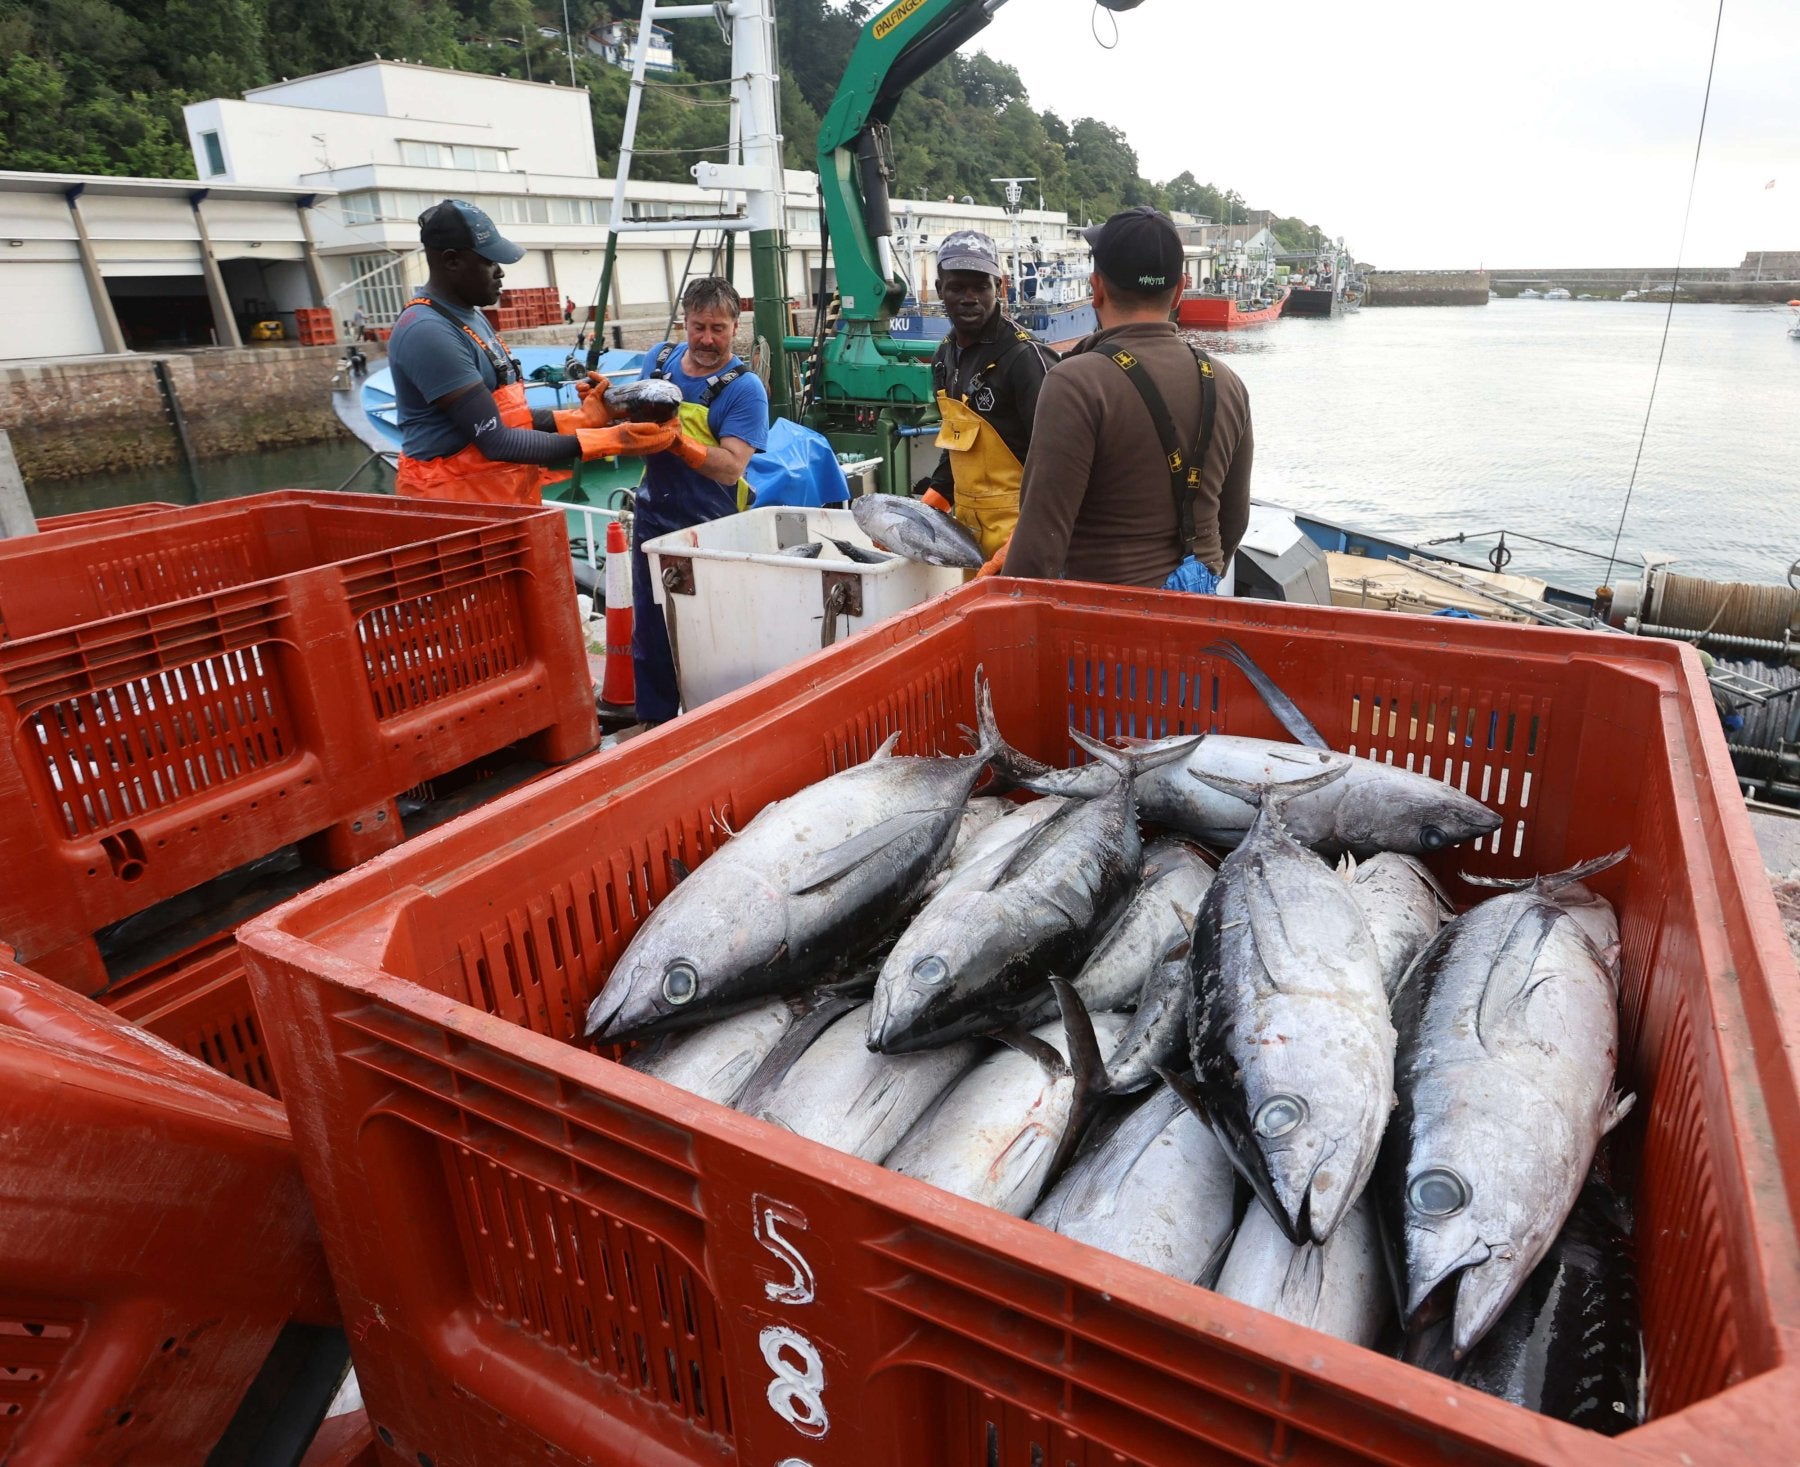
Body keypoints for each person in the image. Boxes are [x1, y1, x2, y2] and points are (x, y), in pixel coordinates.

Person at [1004, 205, 1253, 591]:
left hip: (1105, 631)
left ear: (1096, 287)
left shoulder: (1075, 384)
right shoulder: (1228, 383)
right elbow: (1234, 519)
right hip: (1200, 620)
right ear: (1180, 289)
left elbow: (1039, 548)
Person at [387, 199, 674, 505]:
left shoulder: (467, 314)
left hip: (498, 498)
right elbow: (496, 440)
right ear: (452, 260)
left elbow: (506, 416)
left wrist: (581, 417)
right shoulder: (429, 331)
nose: (500, 273)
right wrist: (610, 440)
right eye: (488, 261)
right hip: (457, 510)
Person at [631, 275, 770, 723]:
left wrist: (678, 443)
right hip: (652, 516)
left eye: (718, 329)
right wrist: (605, 403)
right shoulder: (659, 359)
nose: (707, 339)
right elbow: (632, 416)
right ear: (684, 324)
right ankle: (654, 720)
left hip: (710, 526)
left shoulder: (744, 389)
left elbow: (732, 467)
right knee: (650, 628)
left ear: (736, 327)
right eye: (698, 327)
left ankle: (715, 719)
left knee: (710, 631)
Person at [914, 230, 1055, 576]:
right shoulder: (944, 358)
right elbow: (957, 445)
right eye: (957, 287)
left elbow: (1059, 464)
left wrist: (1026, 540)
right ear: (939, 288)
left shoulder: (1024, 358)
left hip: (1025, 538)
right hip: (968, 536)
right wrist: (932, 500)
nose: (969, 298)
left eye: (981, 287)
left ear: (1000, 288)